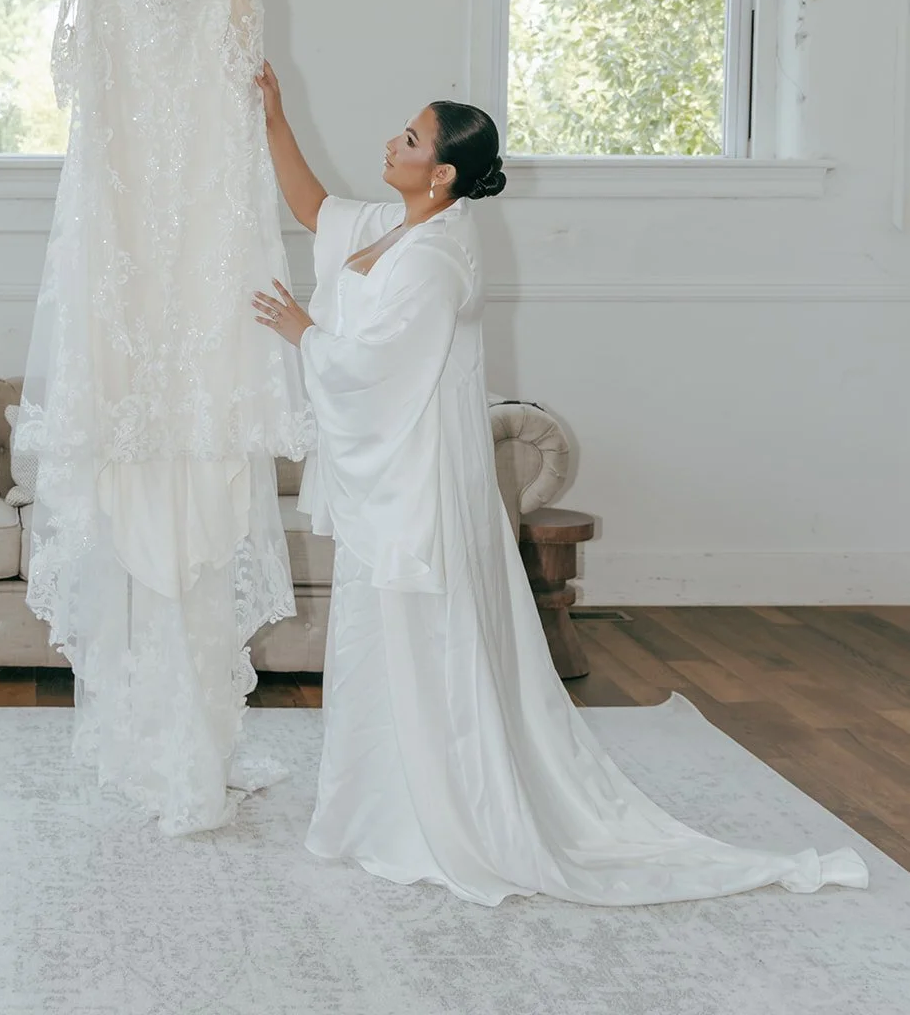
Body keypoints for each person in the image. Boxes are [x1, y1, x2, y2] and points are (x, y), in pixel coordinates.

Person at [250, 60, 868, 907]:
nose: (388, 142)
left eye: (408, 136)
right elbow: (313, 208)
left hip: (418, 484)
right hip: (390, 479)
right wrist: (274, 115)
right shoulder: (395, 228)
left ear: (441, 173)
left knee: (421, 635)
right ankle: (383, 802)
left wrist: (301, 332)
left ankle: (442, 810)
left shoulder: (435, 258)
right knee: (381, 637)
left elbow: (378, 368)